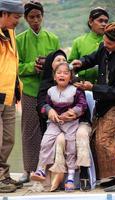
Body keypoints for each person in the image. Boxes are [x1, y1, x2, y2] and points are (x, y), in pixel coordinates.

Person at [71, 22, 115, 192]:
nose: (105, 45)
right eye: (104, 41)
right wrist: (81, 63)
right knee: (96, 138)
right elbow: (92, 58)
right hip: (104, 99)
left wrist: (93, 88)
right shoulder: (104, 46)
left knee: (104, 139)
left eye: (110, 43)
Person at [16, 1, 60, 184]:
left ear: (43, 16)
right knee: (29, 132)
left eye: (38, 16)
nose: (36, 20)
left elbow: (59, 62)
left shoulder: (53, 38)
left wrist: (49, 67)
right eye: (32, 17)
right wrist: (31, 67)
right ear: (26, 19)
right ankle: (29, 170)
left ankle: (50, 169)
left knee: (51, 130)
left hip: (50, 91)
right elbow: (16, 67)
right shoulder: (19, 40)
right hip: (29, 91)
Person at [37, 50, 92, 192]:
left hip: (74, 123)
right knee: (50, 141)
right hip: (55, 124)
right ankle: (43, 171)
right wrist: (49, 110)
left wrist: (74, 113)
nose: (62, 66)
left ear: (70, 74)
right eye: (58, 61)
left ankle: (78, 174)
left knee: (76, 141)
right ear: (53, 71)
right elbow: (42, 105)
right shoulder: (48, 89)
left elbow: (83, 105)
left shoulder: (75, 87)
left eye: (64, 61)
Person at [68, 7, 109, 187]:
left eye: (106, 21)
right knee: (86, 131)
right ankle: (89, 171)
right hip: (84, 93)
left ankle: (107, 172)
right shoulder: (79, 41)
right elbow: (72, 66)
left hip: (106, 93)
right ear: (90, 22)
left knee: (106, 133)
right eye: (100, 20)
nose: (104, 24)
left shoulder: (111, 41)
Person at [0, 0, 24, 193]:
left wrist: (17, 88)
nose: (18, 21)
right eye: (16, 17)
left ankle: (3, 175)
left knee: (8, 139)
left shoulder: (10, 33)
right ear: (4, 14)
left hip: (9, 94)